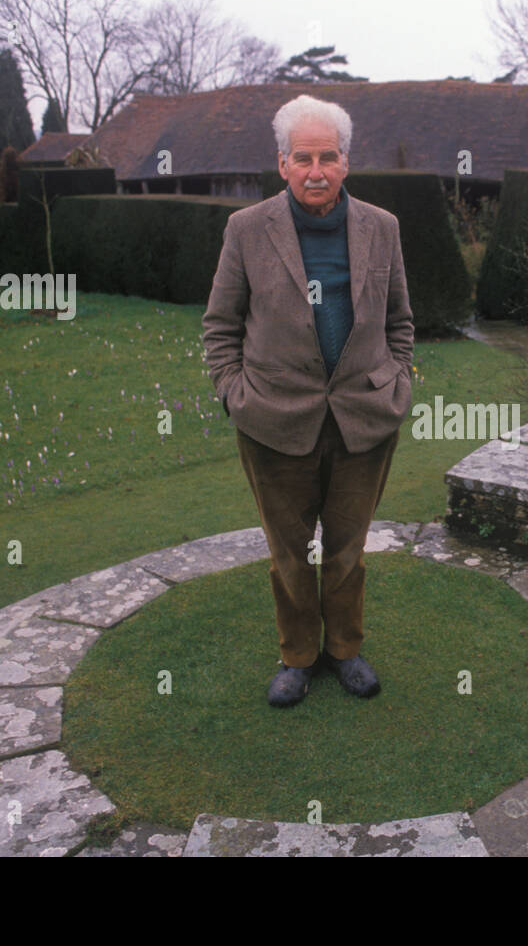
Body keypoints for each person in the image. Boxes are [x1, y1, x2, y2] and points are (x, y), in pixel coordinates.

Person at [201, 94, 414, 707]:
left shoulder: (383, 227)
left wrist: (397, 380)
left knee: (348, 548)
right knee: (289, 553)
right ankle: (297, 656)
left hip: (363, 419)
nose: (316, 170)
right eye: (303, 158)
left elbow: (401, 319)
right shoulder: (247, 229)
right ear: (283, 164)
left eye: (328, 156)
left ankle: (345, 651)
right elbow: (220, 325)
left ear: (346, 162)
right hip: (272, 420)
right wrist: (234, 394)